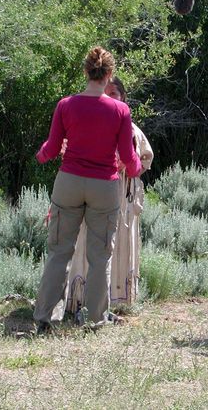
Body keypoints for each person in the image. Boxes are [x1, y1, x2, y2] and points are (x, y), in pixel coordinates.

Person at [34, 47, 141, 333]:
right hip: (103, 186)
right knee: (100, 256)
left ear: (86, 72)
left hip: (68, 182)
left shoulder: (66, 105)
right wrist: (135, 169)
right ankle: (95, 319)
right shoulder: (120, 110)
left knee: (59, 252)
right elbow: (128, 155)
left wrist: (40, 156)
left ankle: (44, 317)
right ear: (109, 75)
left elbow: (53, 148)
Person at [51, 77, 154, 322]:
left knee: (110, 251)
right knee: (83, 246)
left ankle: (107, 306)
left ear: (123, 97)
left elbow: (144, 158)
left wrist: (129, 164)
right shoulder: (85, 119)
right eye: (105, 91)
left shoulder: (129, 126)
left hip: (120, 197)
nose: (109, 96)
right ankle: (78, 302)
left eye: (114, 93)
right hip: (93, 192)